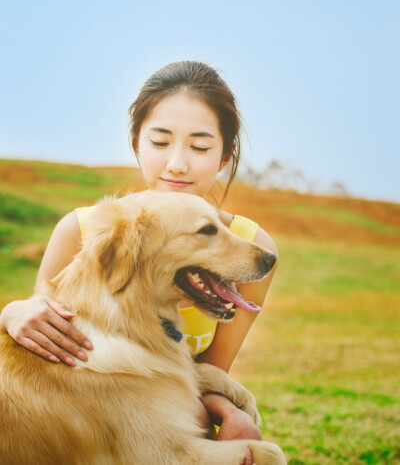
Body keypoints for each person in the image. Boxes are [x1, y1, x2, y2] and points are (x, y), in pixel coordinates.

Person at [0, 61, 278, 465]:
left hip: (172, 409)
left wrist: (231, 413)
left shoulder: (249, 251)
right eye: (160, 142)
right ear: (136, 144)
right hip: (88, 419)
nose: (177, 164)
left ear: (224, 156)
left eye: (200, 147)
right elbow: (44, 341)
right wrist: (11, 312)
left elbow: (211, 378)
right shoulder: (83, 231)